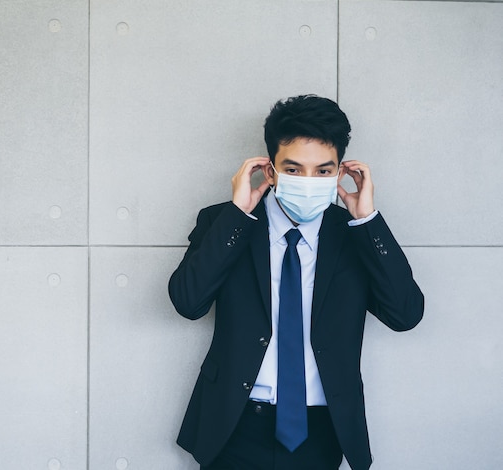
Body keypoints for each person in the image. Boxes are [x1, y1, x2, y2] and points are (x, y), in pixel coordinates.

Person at [168, 95, 424, 470]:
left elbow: (406, 314)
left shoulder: (355, 236)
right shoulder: (226, 223)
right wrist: (238, 213)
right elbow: (188, 302)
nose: (309, 181)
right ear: (269, 171)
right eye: (294, 168)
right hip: (233, 426)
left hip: (321, 431)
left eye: (323, 171)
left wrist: (367, 220)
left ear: (341, 173)